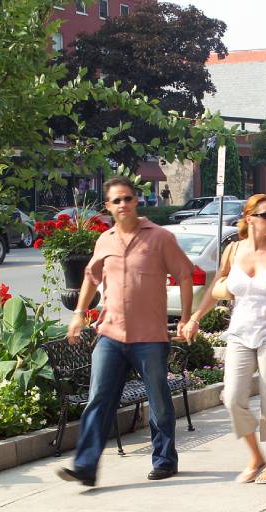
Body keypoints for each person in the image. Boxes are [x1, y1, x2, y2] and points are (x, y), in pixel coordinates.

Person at [57, 176, 195, 487]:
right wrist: (79, 314)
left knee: (159, 402)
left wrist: (185, 318)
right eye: (116, 201)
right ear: (108, 207)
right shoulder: (104, 240)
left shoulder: (159, 238)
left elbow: (185, 274)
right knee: (98, 400)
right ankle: (86, 466)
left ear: (136, 201)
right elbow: (91, 277)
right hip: (110, 334)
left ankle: (164, 460)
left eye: (127, 199)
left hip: (150, 337)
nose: (123, 205)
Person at [185, 194, 266, 484]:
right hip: (240, 332)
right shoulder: (232, 251)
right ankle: (256, 456)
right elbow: (215, 287)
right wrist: (195, 318)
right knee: (232, 398)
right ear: (249, 218)